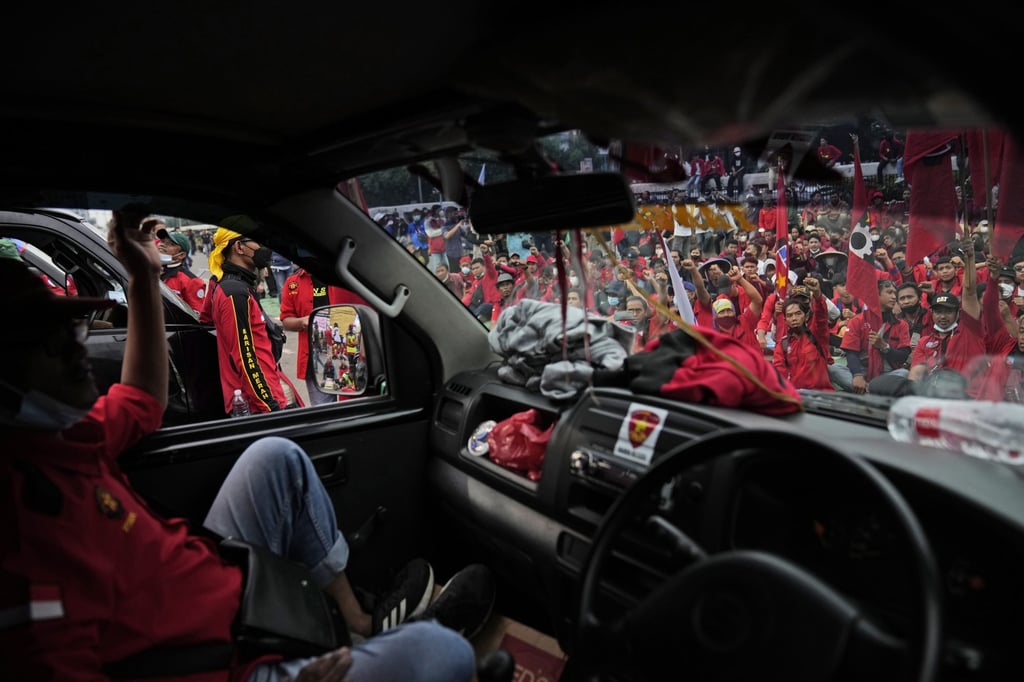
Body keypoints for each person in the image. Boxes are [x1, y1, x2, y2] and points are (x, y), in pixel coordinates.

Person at [0, 210, 484, 682]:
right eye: (49, 343)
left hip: (228, 593)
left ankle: (356, 624)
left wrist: (143, 277)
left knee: (276, 457)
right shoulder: (23, 543)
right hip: (220, 661)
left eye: (71, 331)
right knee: (441, 653)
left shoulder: (66, 440)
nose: (78, 348)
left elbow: (143, 398)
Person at [203, 221, 301, 414]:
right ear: (239, 247)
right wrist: (269, 406)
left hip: (262, 394)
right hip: (255, 405)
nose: (264, 247)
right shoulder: (235, 293)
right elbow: (246, 360)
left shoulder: (236, 285)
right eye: (258, 241)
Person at [279, 267, 367, 406]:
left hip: (348, 357)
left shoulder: (343, 276)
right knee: (325, 413)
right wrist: (303, 321)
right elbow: (286, 320)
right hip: (316, 363)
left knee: (353, 409)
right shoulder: (293, 283)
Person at [773, 277, 833, 390]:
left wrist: (817, 293)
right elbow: (779, 372)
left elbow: (821, 317)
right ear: (785, 320)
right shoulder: (783, 345)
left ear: (806, 316)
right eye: (790, 315)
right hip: (797, 397)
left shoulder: (817, 335)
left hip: (821, 397)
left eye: (798, 314)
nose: (794, 318)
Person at [155, 225, 207, 314]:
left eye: (171, 244)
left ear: (181, 255)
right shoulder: (149, 271)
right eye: (162, 241)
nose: (163, 245)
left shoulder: (191, 281)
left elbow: (197, 317)